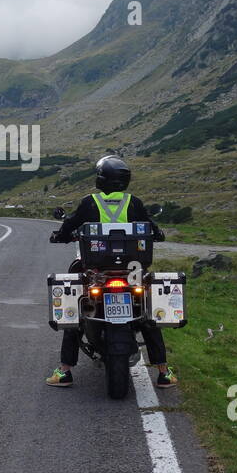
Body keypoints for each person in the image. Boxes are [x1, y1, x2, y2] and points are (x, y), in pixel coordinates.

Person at [45, 155, 176, 389]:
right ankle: (163, 372)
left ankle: (65, 371)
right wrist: (157, 233)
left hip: (97, 271)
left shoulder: (89, 202)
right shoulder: (133, 202)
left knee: (75, 307)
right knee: (148, 317)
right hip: (131, 272)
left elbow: (70, 225)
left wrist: (60, 235)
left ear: (101, 179)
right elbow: (151, 228)